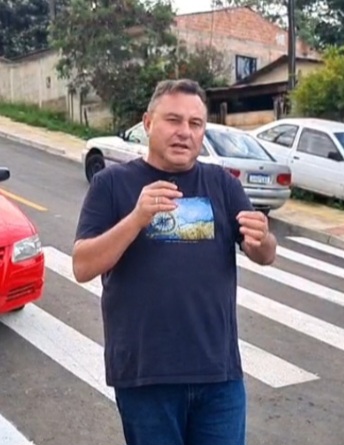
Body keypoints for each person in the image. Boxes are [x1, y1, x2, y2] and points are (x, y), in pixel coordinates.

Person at [71, 78, 278, 445]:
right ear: (148, 123)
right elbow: (82, 266)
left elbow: (264, 254)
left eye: (195, 124)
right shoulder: (112, 184)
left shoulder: (222, 184)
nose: (184, 132)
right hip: (145, 378)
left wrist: (262, 239)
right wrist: (136, 218)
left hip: (219, 377)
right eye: (173, 120)